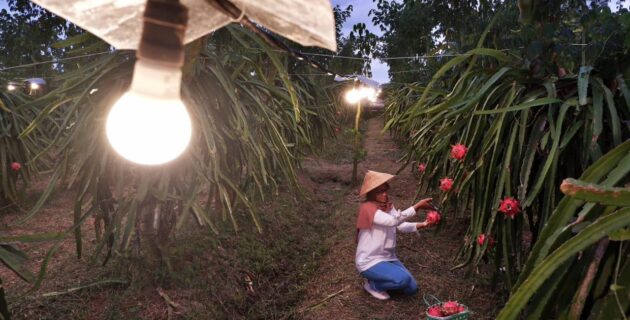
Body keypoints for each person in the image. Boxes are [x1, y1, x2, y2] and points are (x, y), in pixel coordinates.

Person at [355, 170, 436, 300]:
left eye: (385, 190)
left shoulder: (388, 206)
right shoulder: (368, 208)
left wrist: (422, 224)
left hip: (388, 257)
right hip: (369, 261)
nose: (385, 194)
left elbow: (400, 225)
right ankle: (373, 285)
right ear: (371, 194)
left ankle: (387, 280)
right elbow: (392, 221)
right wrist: (417, 207)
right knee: (402, 280)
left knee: (412, 289)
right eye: (380, 192)